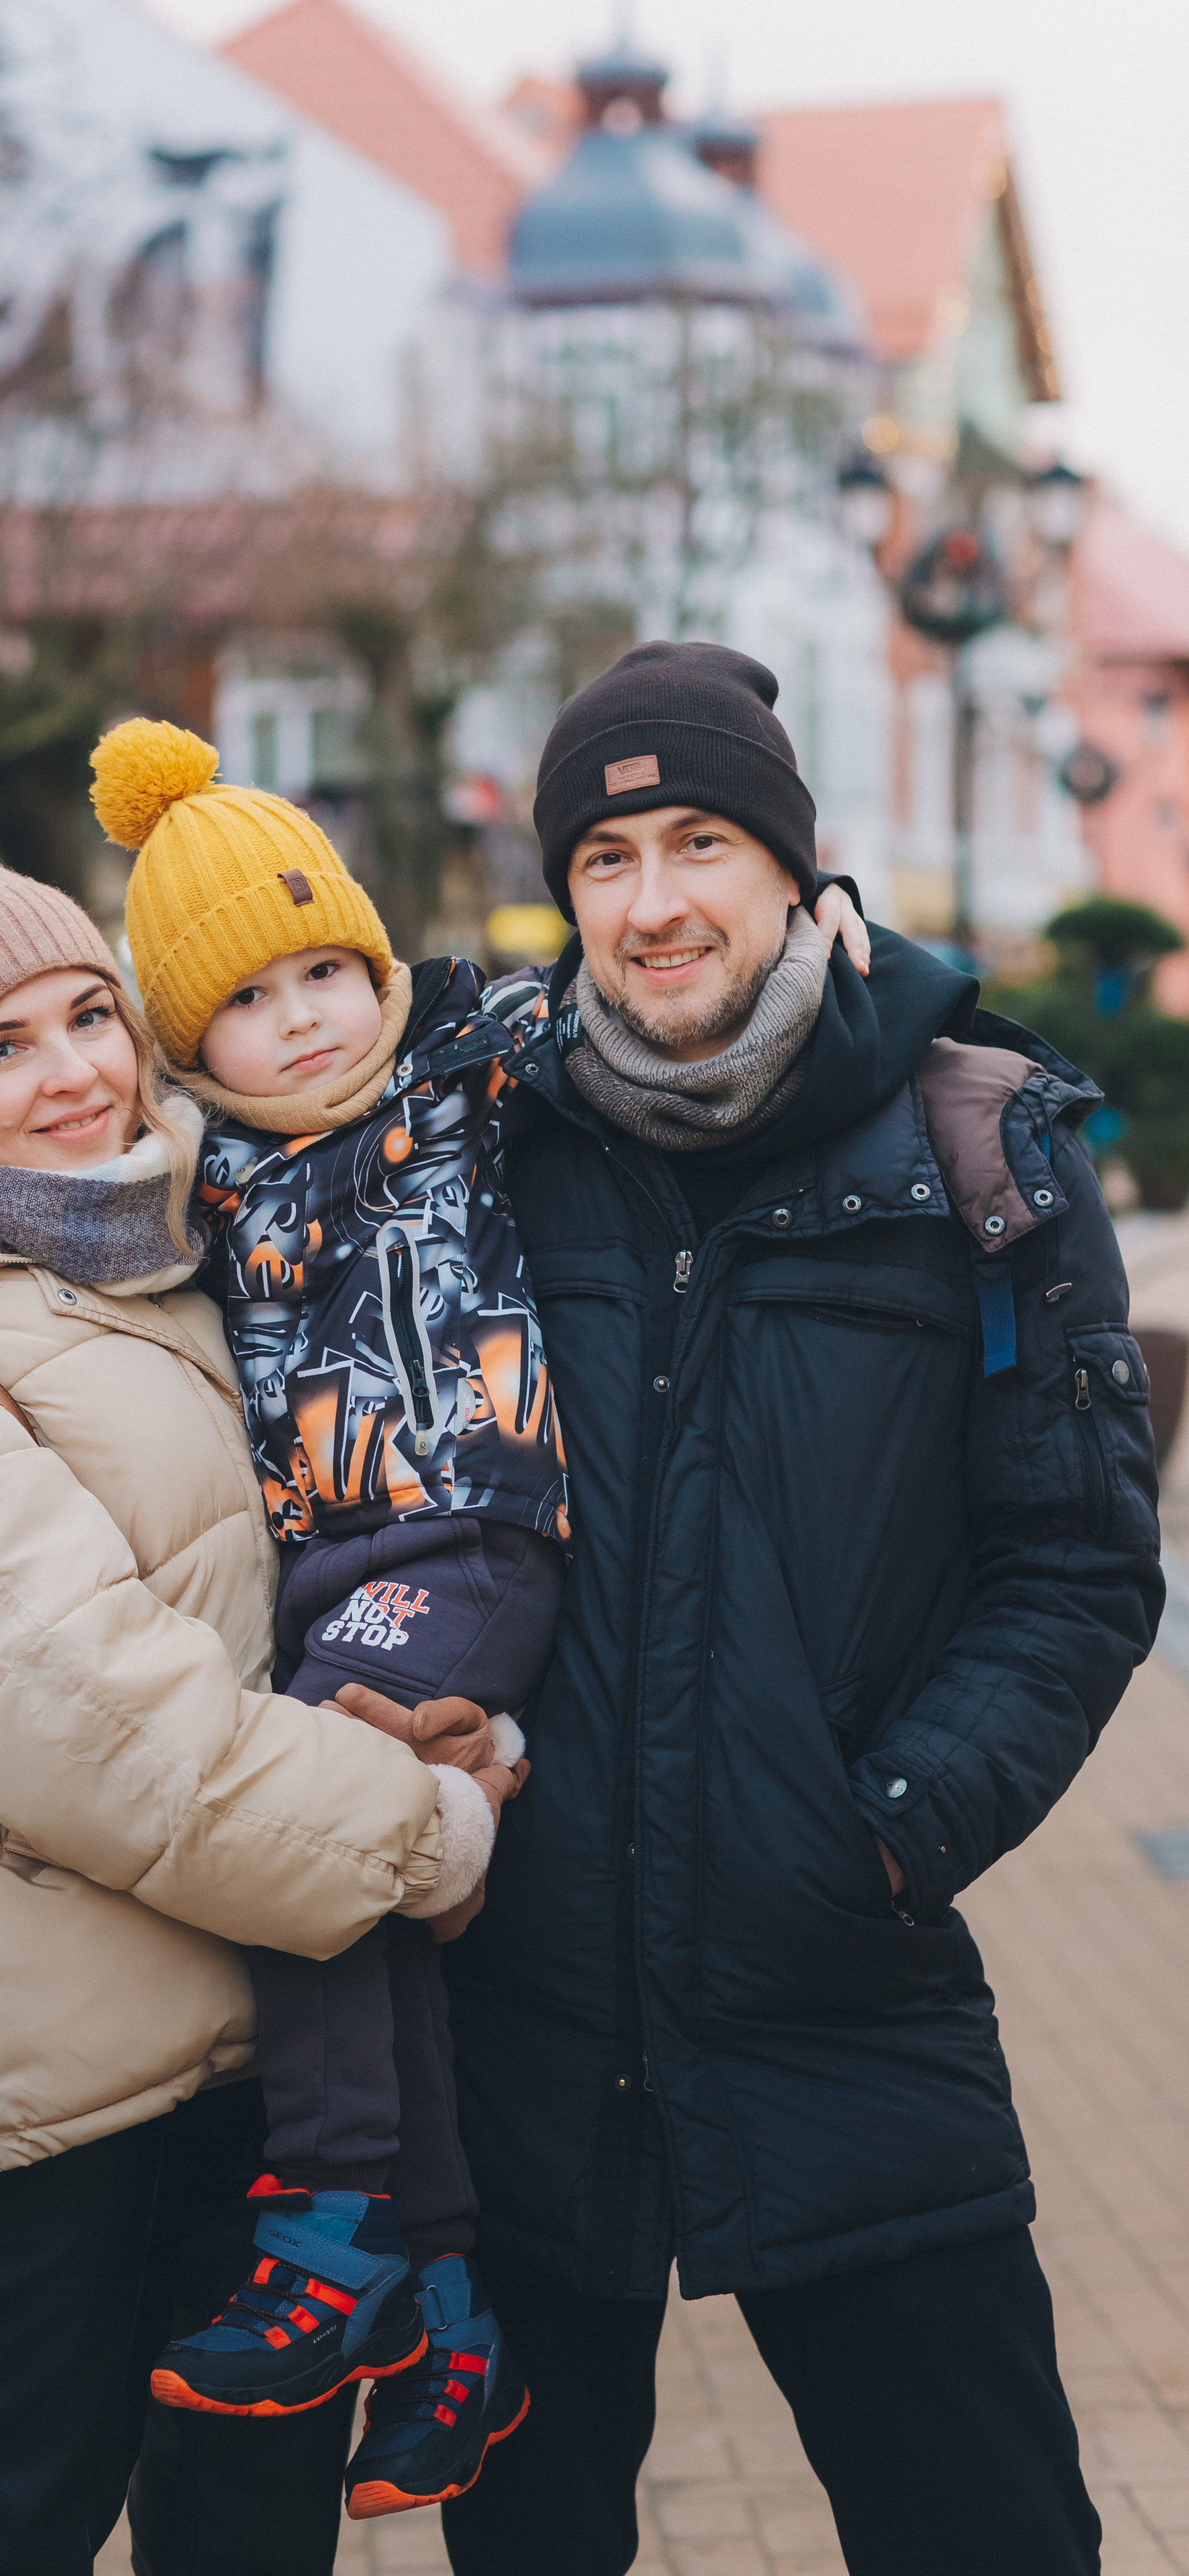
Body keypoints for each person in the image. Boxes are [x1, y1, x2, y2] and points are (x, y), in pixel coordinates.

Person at [435, 639, 1164, 2576]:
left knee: (988, 2534)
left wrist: (896, 1833)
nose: (654, 900)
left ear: (790, 867)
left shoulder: (980, 1151)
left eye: (698, 842)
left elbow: (1080, 1566)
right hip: (523, 2011)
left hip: (842, 1983)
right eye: (605, 857)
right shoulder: (488, 1147)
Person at [87, 716, 864, 2521]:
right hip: (324, 1574)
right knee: (375, 1906)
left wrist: (856, 945)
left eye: (326, 972)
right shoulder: (205, 1185)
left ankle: (339, 2205)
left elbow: (658, 1009)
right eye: (250, 1003)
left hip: (480, 1531)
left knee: (304, 1824)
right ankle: (447, 2305)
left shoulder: (457, 1069)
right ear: (188, 1042)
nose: (308, 1020)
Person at [0, 822, 521, 2576]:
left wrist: (455, 1708)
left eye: (88, 1018)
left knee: (246, 2541)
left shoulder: (184, 1268)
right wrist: (431, 1831)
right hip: (55, 2077)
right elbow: (105, 1731)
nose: (69, 1078)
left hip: (260, 2033)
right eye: (0, 1050)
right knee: (6, 2529)